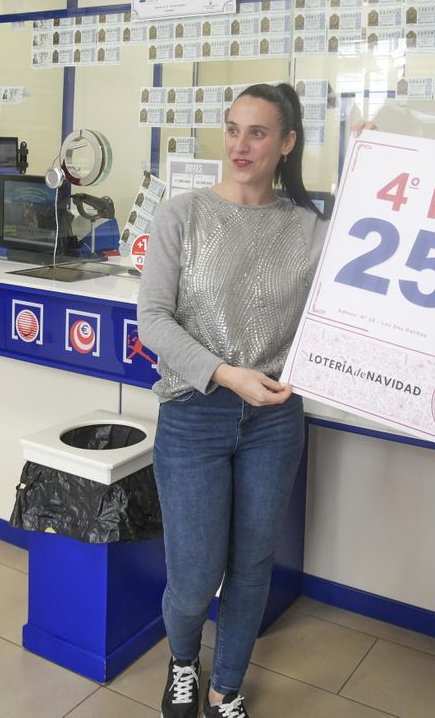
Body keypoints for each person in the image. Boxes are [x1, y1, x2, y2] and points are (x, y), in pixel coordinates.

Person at [138, 83, 347, 718]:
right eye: (232, 129)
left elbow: (338, 319)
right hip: (194, 415)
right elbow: (153, 321)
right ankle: (182, 663)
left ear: (286, 143)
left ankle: (227, 687)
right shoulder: (183, 215)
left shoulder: (311, 230)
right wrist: (227, 374)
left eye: (257, 133)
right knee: (196, 574)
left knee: (253, 565)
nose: (239, 145)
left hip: (274, 420)